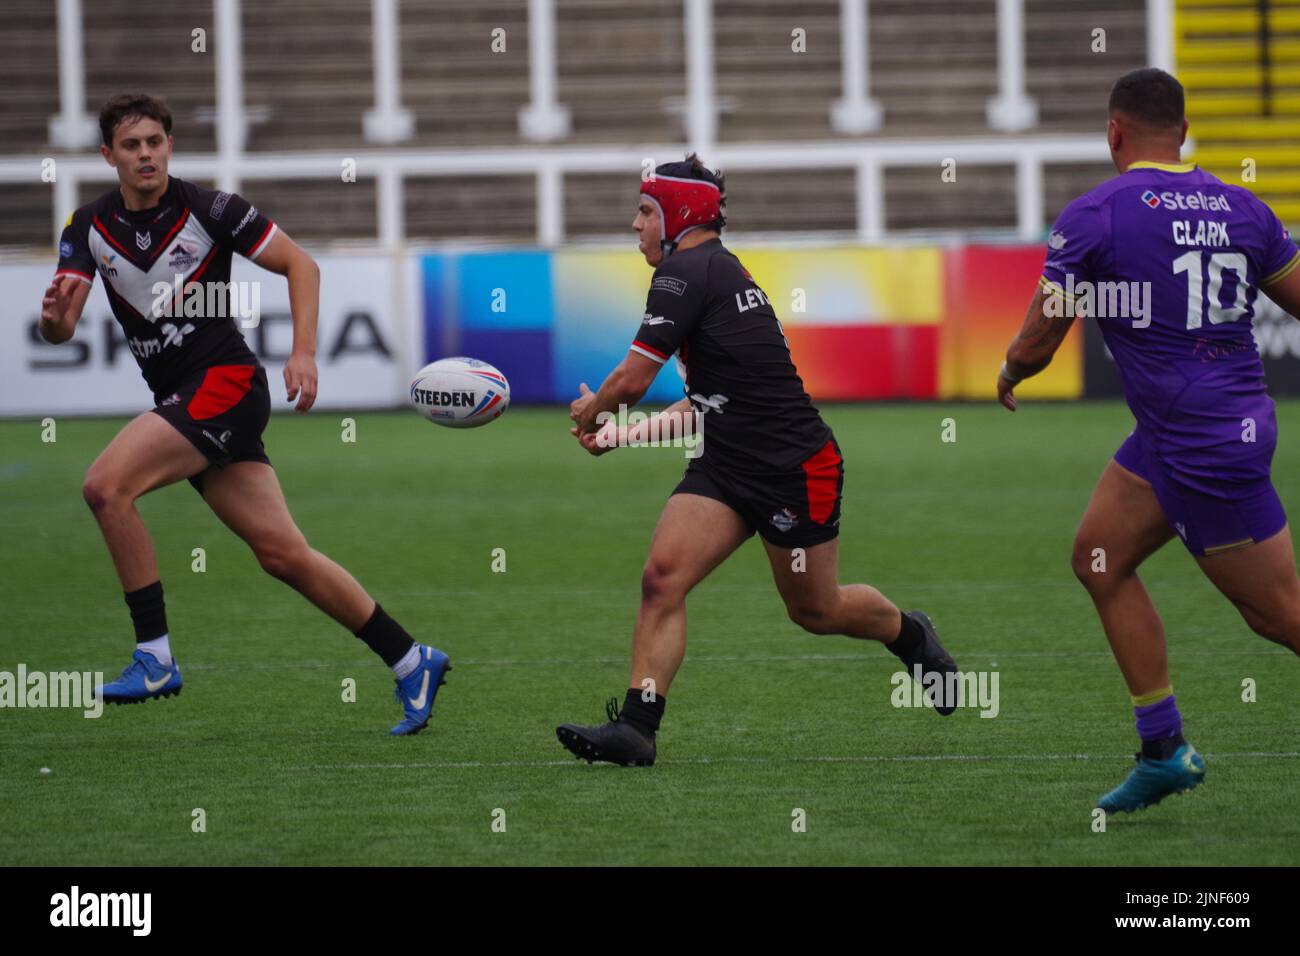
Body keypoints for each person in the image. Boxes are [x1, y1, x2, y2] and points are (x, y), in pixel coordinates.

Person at [41, 93, 450, 735]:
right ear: (107, 155)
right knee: (284, 555)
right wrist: (54, 320)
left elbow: (300, 265)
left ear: (169, 146)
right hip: (183, 400)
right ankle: (409, 658)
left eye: (155, 141)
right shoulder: (86, 227)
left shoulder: (210, 208)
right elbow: (62, 331)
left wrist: (305, 353)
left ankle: (153, 655)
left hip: (226, 384)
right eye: (131, 145)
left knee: (105, 487)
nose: (145, 154)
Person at [555, 155, 959, 767]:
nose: (635, 225)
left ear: (678, 214)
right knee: (662, 578)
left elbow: (633, 379)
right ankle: (638, 729)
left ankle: (910, 634)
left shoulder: (685, 273)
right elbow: (708, 404)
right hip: (726, 462)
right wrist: (623, 437)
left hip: (794, 468)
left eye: (644, 211)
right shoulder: (708, 272)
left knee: (816, 611)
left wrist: (596, 414)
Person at [997, 68, 1300, 812]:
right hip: (1182, 435)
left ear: (1114, 133)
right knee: (1099, 559)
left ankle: (1165, 747)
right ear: (1185, 132)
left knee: (1279, 616)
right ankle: (1162, 748)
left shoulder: (1096, 213)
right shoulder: (1244, 209)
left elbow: (1040, 339)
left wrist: (1009, 368)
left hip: (1201, 447)